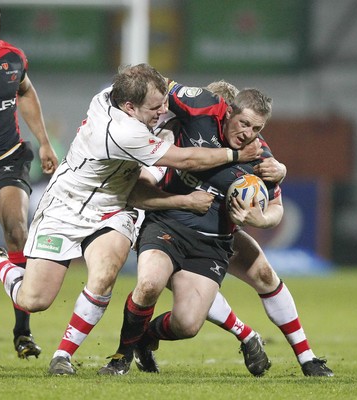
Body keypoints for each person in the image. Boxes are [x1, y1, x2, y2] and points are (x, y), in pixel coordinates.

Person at [0, 63, 263, 375]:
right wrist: (237, 156)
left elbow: (175, 95)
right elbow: (186, 159)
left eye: (164, 103)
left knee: (104, 275)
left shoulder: (119, 96)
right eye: (155, 107)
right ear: (130, 107)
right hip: (66, 207)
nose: (163, 111)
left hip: (114, 205)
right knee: (34, 299)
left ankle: (62, 355)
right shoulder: (122, 132)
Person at [99, 80, 333, 377]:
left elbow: (276, 210)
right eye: (244, 123)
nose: (247, 133)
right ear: (226, 113)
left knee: (189, 323)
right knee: (148, 284)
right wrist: (116, 97)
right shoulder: (180, 131)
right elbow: (140, 188)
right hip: (167, 227)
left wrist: (262, 219)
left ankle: (307, 358)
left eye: (256, 128)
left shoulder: (261, 158)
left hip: (216, 241)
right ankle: (121, 357)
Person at [0, 0, 58, 359]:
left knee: (17, 227)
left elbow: (25, 91)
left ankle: (22, 332)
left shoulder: (13, 58)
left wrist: (43, 141)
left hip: (7, 160)